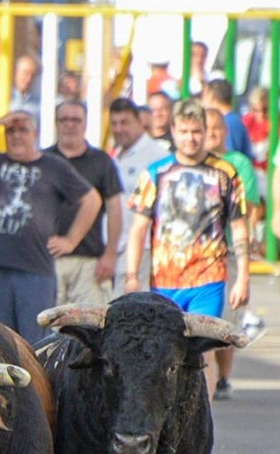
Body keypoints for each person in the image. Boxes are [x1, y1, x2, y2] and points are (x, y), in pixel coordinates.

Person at [124, 98, 250, 399]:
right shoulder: (156, 173)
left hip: (209, 278)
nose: (191, 138)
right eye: (184, 131)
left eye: (196, 131)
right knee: (162, 351)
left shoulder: (225, 173)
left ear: (206, 131)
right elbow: (139, 228)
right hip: (165, 281)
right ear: (173, 131)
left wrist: (243, 277)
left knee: (202, 349)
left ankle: (200, 417)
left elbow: (239, 227)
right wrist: (131, 275)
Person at [0, 111, 101, 343]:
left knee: (36, 342)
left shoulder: (53, 166)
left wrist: (71, 239)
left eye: (23, 130)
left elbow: (91, 200)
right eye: (11, 131)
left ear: (35, 133)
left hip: (35, 269)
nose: (16, 136)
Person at [203, 108, 265, 400]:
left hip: (227, 250)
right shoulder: (193, 164)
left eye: (216, 127)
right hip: (197, 256)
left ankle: (223, 377)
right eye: (207, 127)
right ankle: (205, 380)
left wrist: (247, 251)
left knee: (225, 322)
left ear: (225, 130)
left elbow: (250, 207)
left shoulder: (237, 163)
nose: (212, 132)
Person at [45, 100, 123, 304]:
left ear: (85, 123)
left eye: (76, 120)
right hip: (47, 260)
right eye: (64, 120)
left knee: (89, 327)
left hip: (89, 262)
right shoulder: (44, 160)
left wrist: (110, 255)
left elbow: (115, 209)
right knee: (45, 330)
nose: (70, 125)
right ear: (56, 123)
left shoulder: (102, 161)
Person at [108, 97, 170, 293]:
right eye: (114, 123)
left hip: (141, 249)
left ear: (139, 123)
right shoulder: (115, 155)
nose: (119, 129)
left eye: (124, 122)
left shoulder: (157, 157)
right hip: (114, 248)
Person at [202, 78, 254, 161]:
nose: (202, 101)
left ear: (211, 96)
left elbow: (230, 158)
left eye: (203, 96)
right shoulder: (232, 119)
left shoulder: (229, 122)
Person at [10, 54, 42, 127]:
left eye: (32, 75)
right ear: (15, 73)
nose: (29, 79)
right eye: (25, 73)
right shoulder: (4, 97)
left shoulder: (39, 104)